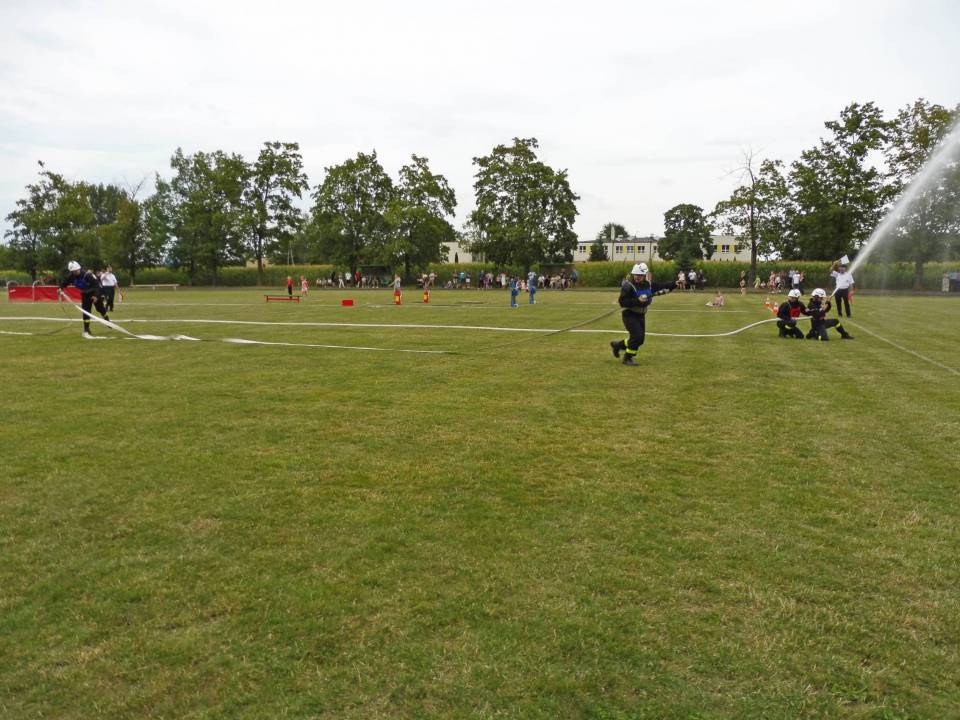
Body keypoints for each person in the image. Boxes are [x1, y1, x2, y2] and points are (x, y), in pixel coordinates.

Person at [610, 263, 675, 366]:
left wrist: (675, 284)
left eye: (640, 275)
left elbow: (662, 286)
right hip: (629, 314)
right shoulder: (628, 286)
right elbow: (622, 302)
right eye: (635, 274)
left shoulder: (649, 284)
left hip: (641, 315)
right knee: (637, 337)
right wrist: (637, 300)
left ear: (645, 275)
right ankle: (627, 358)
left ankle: (618, 345)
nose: (637, 277)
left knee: (640, 340)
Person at [58, 260, 111, 338]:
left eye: (77, 270)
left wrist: (96, 296)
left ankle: (107, 320)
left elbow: (96, 285)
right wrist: (60, 288)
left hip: (95, 293)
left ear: (79, 268)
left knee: (100, 309)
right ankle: (86, 329)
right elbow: (65, 282)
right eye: (74, 271)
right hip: (85, 294)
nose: (76, 272)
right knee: (86, 312)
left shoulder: (88, 275)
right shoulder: (71, 276)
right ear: (71, 271)